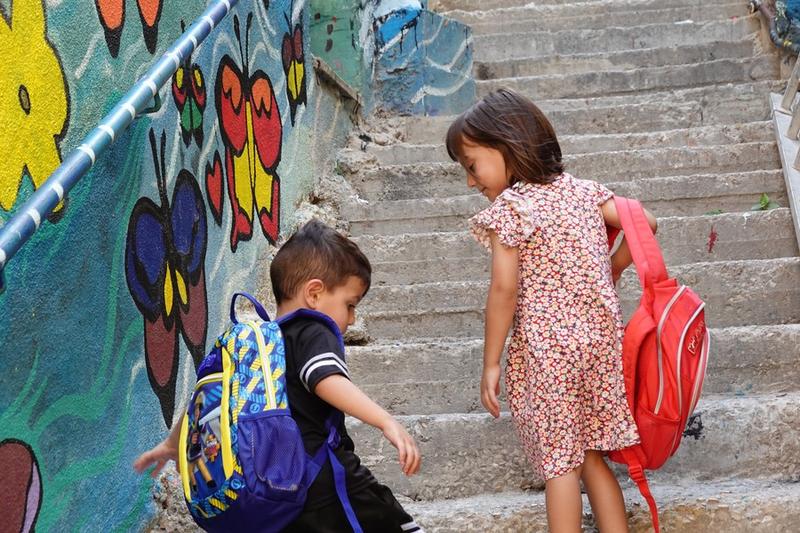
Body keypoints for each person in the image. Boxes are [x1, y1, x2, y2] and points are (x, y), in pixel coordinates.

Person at [445, 88, 657, 533]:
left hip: (549, 353)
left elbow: (504, 290)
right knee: (593, 456)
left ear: (507, 146)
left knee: (560, 462)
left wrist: (490, 362)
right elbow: (646, 224)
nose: (470, 181)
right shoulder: (584, 192)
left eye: (471, 166)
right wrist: (609, 268)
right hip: (600, 345)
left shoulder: (513, 207)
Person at [134, 219, 423, 533]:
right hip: (324, 479)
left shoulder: (253, 350)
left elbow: (204, 404)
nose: (352, 319)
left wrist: (172, 444)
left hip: (280, 493)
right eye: (350, 304)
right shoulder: (313, 328)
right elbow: (325, 379)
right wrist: (385, 420)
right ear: (314, 294)